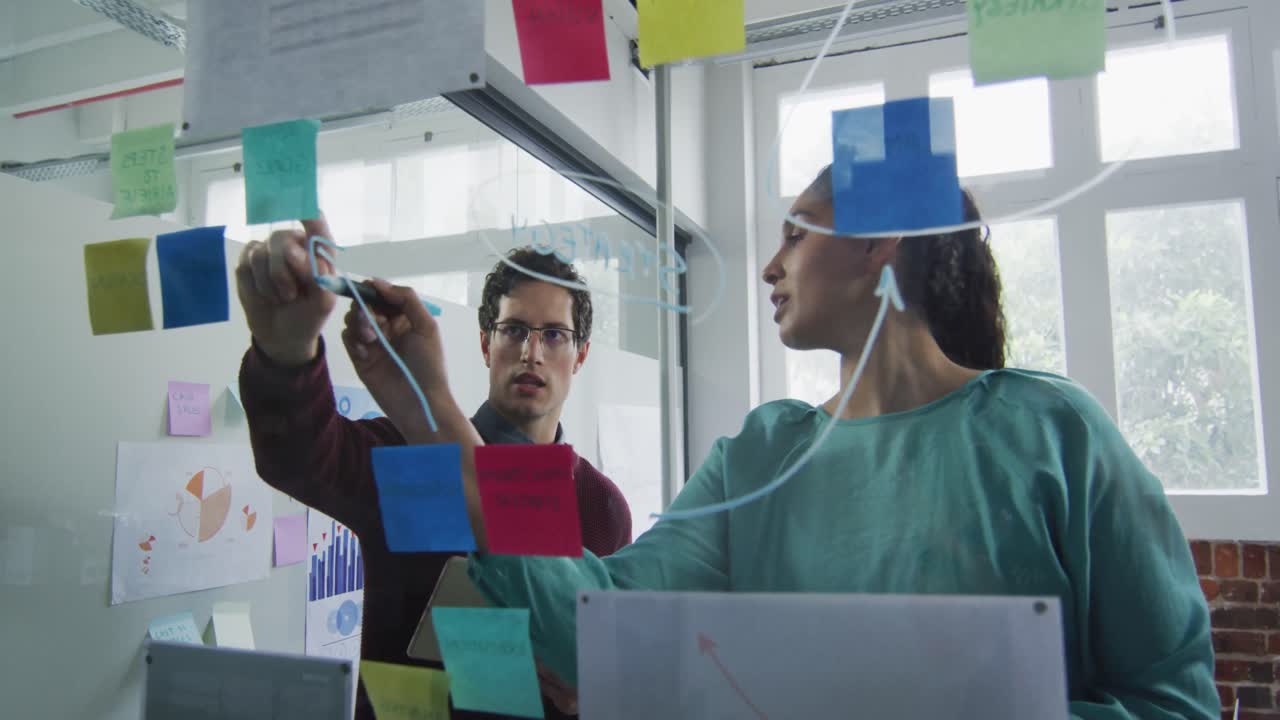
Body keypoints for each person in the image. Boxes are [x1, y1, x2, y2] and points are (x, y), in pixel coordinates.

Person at [351, 165, 1219, 719]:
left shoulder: (1051, 435)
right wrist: (428, 401)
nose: (769, 266)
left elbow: (1174, 701)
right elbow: (598, 614)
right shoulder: (762, 455)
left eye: (796, 234)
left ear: (879, 244)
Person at [235, 217, 631, 719]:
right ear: (487, 343)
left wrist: (594, 692)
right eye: (514, 330)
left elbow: (611, 665)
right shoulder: (414, 451)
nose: (532, 352)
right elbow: (300, 456)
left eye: (554, 334)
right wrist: (287, 351)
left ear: (580, 355)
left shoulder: (602, 507)